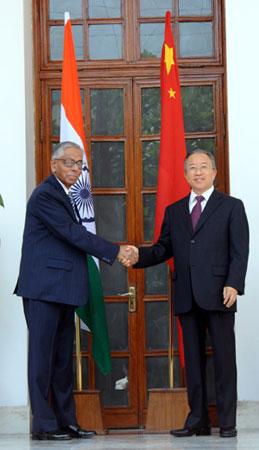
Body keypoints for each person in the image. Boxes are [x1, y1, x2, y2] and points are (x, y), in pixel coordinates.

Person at [123, 149, 249, 438]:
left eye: (204, 167)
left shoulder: (231, 206)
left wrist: (234, 283)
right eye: (192, 168)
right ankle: (198, 420)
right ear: (185, 174)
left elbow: (239, 251)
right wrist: (137, 255)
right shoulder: (175, 210)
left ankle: (227, 422)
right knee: (192, 362)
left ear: (215, 172)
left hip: (220, 293)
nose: (198, 172)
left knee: (223, 360)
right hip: (186, 294)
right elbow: (161, 249)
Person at [15, 141, 130, 441]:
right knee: (42, 360)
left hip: (63, 290)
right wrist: (114, 251)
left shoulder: (64, 196)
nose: (75, 169)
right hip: (43, 290)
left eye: (79, 164)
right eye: (68, 162)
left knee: (63, 361)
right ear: (54, 165)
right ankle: (44, 425)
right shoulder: (45, 195)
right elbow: (72, 234)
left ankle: (66, 421)